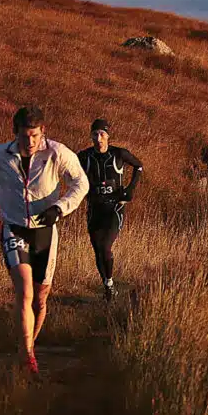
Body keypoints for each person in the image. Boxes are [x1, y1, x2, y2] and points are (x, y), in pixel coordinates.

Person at [0, 106, 88, 376]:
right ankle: (27, 361)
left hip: (46, 232)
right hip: (14, 229)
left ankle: (28, 348)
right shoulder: (0, 155)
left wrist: (60, 207)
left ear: (42, 132)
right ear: (15, 134)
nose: (29, 142)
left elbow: (81, 183)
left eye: (34, 135)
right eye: (24, 136)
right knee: (24, 292)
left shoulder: (57, 153)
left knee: (40, 300)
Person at [77, 119, 144, 302]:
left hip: (114, 208)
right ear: (90, 136)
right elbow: (68, 170)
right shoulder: (84, 157)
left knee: (105, 246)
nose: (98, 138)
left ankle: (109, 284)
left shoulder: (118, 154)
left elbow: (139, 166)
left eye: (102, 134)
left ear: (108, 136)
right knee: (98, 249)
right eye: (95, 134)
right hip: (94, 208)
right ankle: (108, 285)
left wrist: (130, 190)